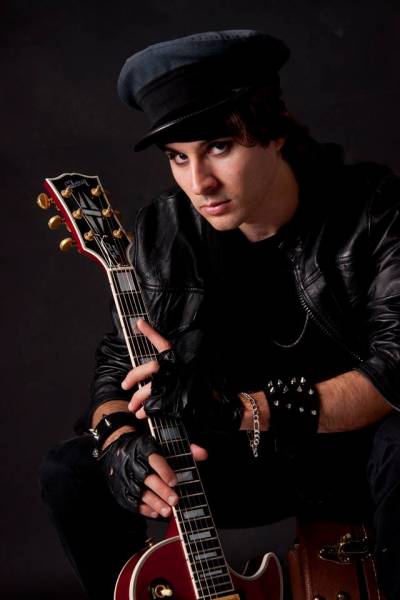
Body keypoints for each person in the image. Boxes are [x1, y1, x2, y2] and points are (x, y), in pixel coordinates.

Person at [40, 30, 400, 600]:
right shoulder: (166, 230)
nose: (199, 183)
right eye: (178, 157)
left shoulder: (375, 208)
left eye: (220, 147)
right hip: (239, 461)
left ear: (275, 133)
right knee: (72, 470)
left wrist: (240, 408)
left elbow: (395, 368)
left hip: (351, 456)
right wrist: (115, 434)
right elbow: (120, 355)